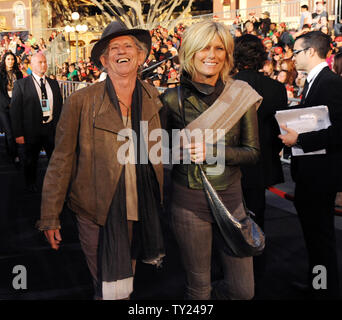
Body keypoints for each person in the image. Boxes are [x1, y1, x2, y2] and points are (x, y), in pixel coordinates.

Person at [36, 21, 165, 300]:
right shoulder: (81, 102)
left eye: (128, 46)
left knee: (125, 286)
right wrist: (50, 216)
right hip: (97, 213)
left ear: (141, 56)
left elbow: (161, 152)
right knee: (109, 290)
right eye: (113, 48)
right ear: (104, 61)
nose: (121, 51)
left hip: (141, 208)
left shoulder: (154, 98)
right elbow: (60, 161)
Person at [161, 21, 261, 300]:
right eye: (204, 47)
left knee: (244, 291)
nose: (212, 54)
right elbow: (156, 151)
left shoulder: (242, 94)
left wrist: (213, 152)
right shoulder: (171, 98)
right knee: (199, 289)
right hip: (189, 203)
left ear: (228, 55)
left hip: (232, 201)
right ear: (190, 53)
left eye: (219, 48)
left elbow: (253, 152)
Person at [278, 31, 342, 299]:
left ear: (311, 52)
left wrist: (299, 139)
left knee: (320, 239)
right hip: (310, 175)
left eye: (296, 52)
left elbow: (338, 132)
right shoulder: (317, 81)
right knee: (314, 239)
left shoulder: (330, 83)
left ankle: (324, 291)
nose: (292, 58)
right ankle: (318, 286)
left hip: (320, 177)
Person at [233, 34, 288, 286]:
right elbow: (280, 131)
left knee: (229, 219)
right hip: (262, 164)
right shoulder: (276, 89)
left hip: (230, 166)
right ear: (261, 58)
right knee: (257, 218)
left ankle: (234, 272)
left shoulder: (226, 86)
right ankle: (257, 272)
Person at [9, 52, 63, 193]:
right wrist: (18, 134)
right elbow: (15, 112)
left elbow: (60, 107)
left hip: (51, 129)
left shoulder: (53, 83)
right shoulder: (21, 85)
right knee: (30, 161)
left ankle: (55, 185)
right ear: (31, 65)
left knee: (55, 160)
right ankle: (30, 185)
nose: (43, 64)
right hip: (31, 130)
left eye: (45, 61)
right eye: (40, 62)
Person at [0, 51, 23, 164]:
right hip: (3, 107)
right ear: (4, 60)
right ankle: (14, 156)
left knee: (14, 132)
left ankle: (10, 152)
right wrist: (8, 103)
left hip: (16, 105)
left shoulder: (18, 73)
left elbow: (21, 90)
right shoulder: (0, 73)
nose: (10, 61)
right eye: (8, 59)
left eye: (12, 59)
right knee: (9, 133)